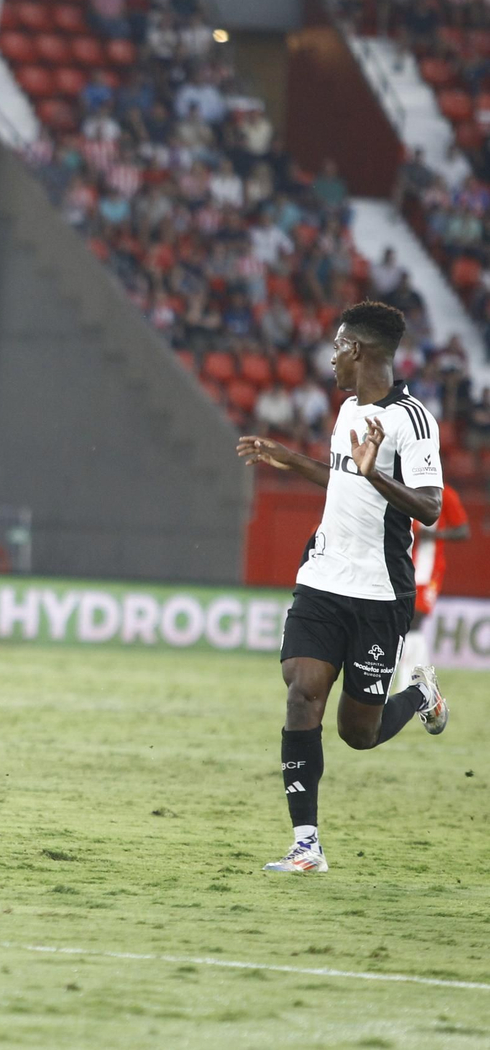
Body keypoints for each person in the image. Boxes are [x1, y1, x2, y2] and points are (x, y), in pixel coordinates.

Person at [236, 302, 448, 873]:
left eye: (336, 346)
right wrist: (290, 459)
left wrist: (376, 472)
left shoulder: (412, 420)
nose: (330, 357)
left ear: (356, 349)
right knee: (302, 691)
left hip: (380, 592)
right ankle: (307, 844)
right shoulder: (348, 410)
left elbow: (429, 507)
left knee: (359, 732)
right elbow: (344, 480)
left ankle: (420, 695)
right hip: (324, 576)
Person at [394, 483, 470, 688]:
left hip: (428, 568)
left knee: (414, 621)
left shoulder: (446, 494)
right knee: (407, 623)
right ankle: (424, 684)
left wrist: (435, 535)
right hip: (403, 565)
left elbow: (463, 530)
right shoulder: (404, 487)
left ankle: (408, 685)